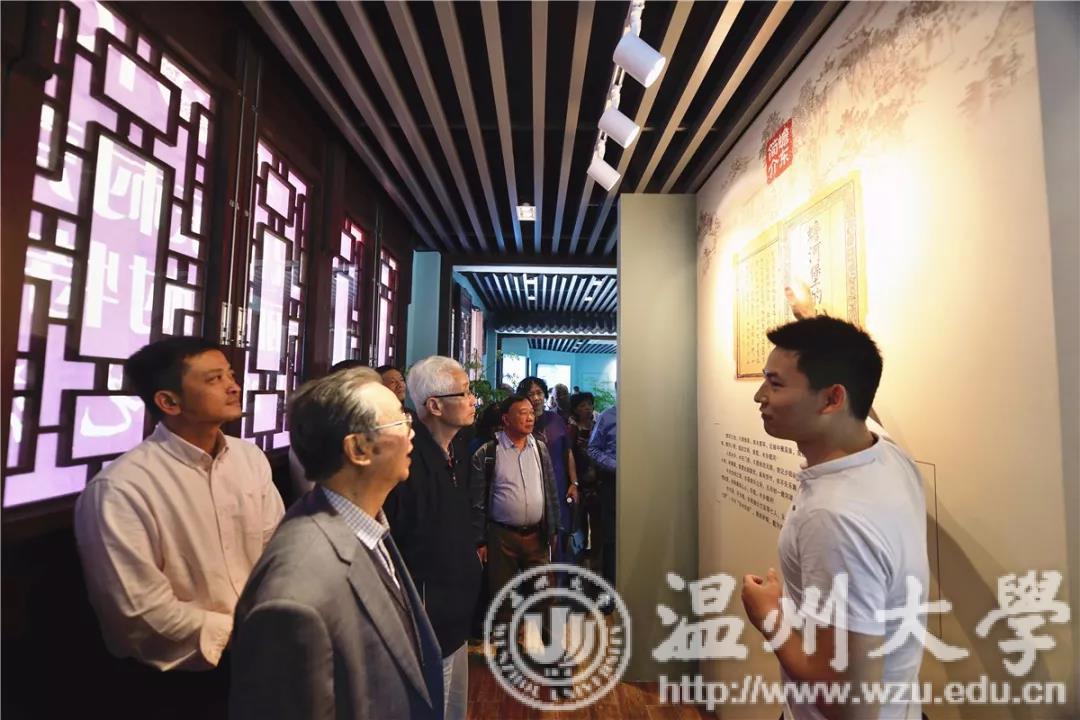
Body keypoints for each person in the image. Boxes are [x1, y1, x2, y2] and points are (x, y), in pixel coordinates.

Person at [74, 337, 284, 717]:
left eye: (230, 375)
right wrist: (240, 632)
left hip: (264, 651)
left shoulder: (249, 459)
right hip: (178, 678)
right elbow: (137, 613)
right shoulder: (121, 488)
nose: (233, 386)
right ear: (169, 402)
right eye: (214, 379)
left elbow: (278, 551)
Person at [740, 316, 929, 720]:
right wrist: (811, 315)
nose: (760, 396)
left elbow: (851, 707)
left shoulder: (834, 518)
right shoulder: (885, 452)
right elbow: (859, 401)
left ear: (831, 400)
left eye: (775, 384)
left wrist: (768, 615)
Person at [230, 367, 444, 720]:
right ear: (358, 448)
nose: (411, 433)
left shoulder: (368, 525)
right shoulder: (297, 595)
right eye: (400, 422)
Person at [383, 356, 482, 720]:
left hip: (455, 615)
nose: (473, 400)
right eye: (464, 393)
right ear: (435, 406)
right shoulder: (408, 461)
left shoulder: (454, 451)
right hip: (427, 619)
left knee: (452, 707)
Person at [471, 394, 561, 619]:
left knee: (544, 595)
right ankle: (507, 641)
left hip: (536, 535)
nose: (530, 418)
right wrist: (480, 540)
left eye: (531, 413)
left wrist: (553, 528)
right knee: (503, 598)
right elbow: (477, 501)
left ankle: (548, 641)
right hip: (502, 536)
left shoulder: (539, 448)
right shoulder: (488, 453)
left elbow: (550, 490)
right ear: (506, 419)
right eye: (523, 413)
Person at [517, 377, 578, 562]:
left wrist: (574, 482)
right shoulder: (520, 422)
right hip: (532, 488)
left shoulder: (556, 419)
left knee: (560, 534)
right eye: (531, 394)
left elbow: (567, 451)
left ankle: (559, 575)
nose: (536, 398)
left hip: (559, 486)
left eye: (539, 393)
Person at [587, 403, 617, 587]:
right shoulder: (607, 417)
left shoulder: (647, 414)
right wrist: (616, 466)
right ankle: (611, 587)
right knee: (611, 538)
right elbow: (593, 449)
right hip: (613, 483)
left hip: (644, 482)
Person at [566, 392, 598, 562]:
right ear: (575, 410)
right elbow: (568, 453)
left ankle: (596, 558)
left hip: (597, 482)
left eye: (589, 404)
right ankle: (579, 557)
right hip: (579, 482)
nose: (587, 408)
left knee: (598, 523)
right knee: (579, 522)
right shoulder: (572, 429)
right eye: (582, 406)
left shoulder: (598, 425)